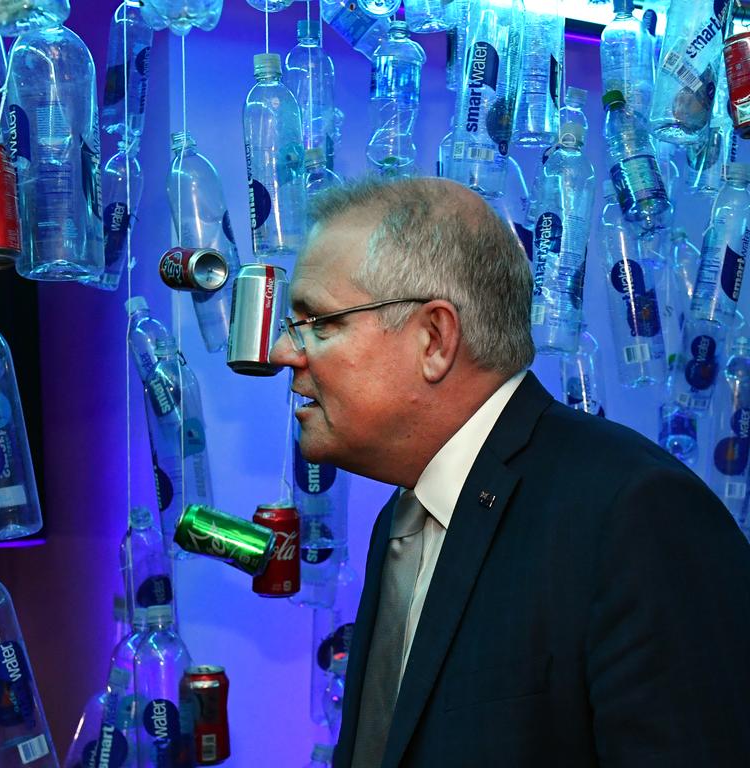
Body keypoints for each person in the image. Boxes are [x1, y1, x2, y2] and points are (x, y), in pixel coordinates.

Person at [268, 177, 750, 767]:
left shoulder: (635, 512)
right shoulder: (403, 520)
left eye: (318, 323)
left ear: (435, 340)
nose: (285, 353)